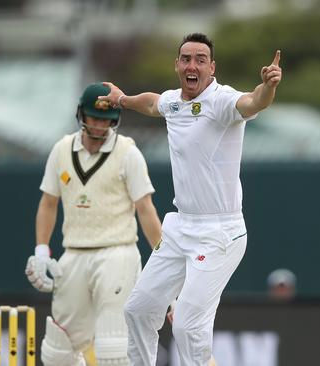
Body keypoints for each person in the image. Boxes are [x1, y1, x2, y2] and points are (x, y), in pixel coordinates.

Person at [99, 32, 283, 365]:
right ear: (177, 65)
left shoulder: (222, 101)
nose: (192, 65)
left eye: (200, 59)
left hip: (220, 232)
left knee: (186, 324)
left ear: (212, 68)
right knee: (138, 310)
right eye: (186, 59)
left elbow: (253, 102)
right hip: (180, 227)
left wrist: (268, 87)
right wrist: (123, 99)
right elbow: (154, 103)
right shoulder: (174, 101)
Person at [24, 82, 161, 366]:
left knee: (114, 348)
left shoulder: (128, 153)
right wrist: (41, 250)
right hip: (73, 253)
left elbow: (145, 209)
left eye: (106, 120)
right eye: (94, 118)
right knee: (58, 350)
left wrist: (164, 264)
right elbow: (48, 204)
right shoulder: (61, 150)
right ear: (81, 115)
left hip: (117, 253)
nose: (99, 126)